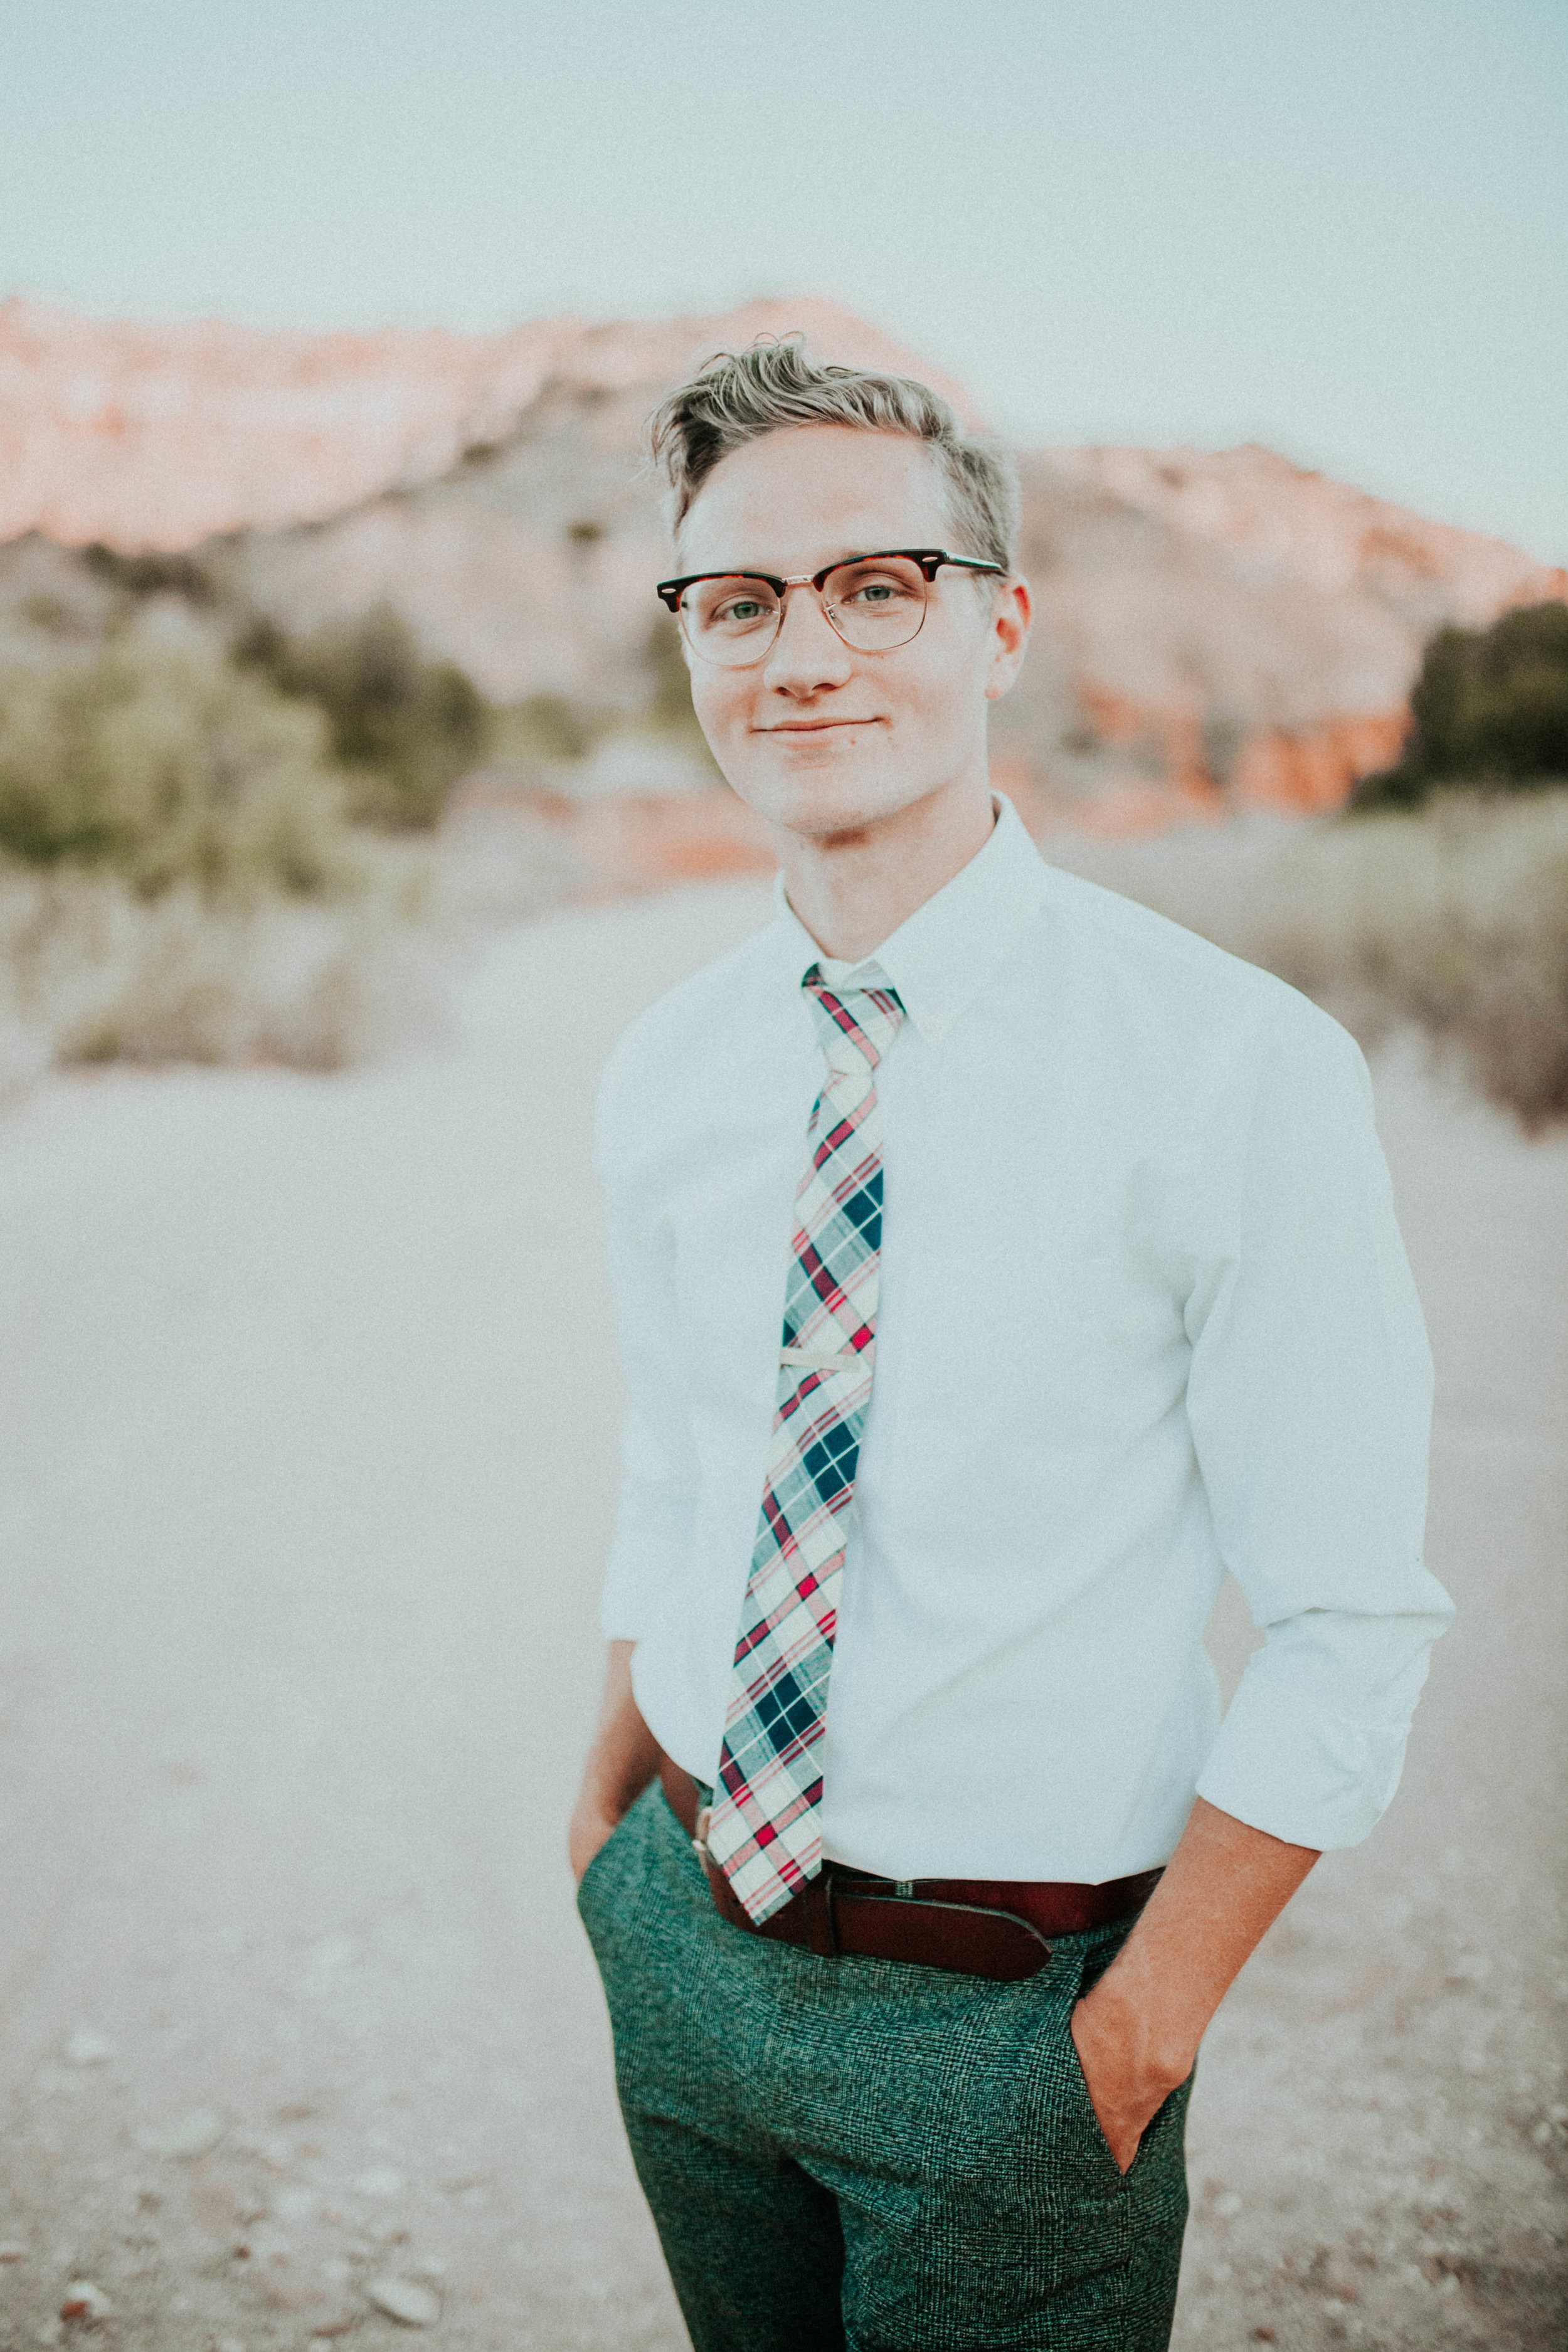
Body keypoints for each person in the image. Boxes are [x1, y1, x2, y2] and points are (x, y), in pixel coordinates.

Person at [568, 338, 1453, 2352]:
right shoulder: (668, 1066)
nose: (804, 653)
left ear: (1000, 624)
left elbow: (1348, 1616)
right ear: (693, 645)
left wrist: (1133, 2037)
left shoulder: (1233, 1071)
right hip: (683, 1950)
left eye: (874, 586)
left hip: (1015, 2037)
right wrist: (603, 1841)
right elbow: (681, 1469)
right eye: (738, 600)